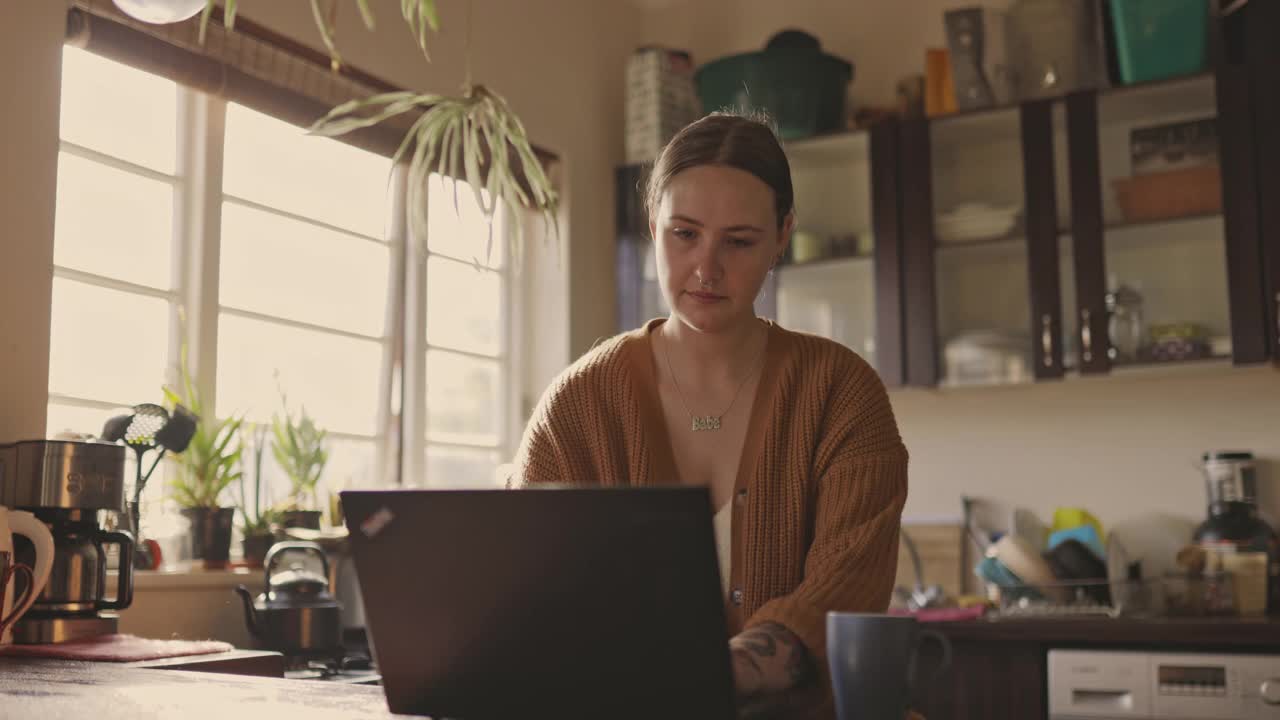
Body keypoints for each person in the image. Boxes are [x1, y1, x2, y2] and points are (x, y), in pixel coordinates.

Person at [511, 112, 910, 719]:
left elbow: (843, 594)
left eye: (740, 241)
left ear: (783, 236)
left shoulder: (842, 393)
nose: (706, 268)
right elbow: (526, 589)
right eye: (685, 234)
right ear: (652, 228)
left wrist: (698, 676)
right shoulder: (579, 403)